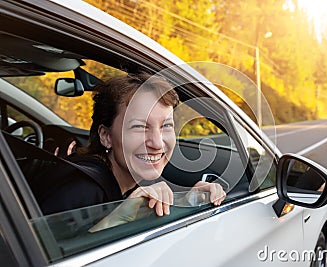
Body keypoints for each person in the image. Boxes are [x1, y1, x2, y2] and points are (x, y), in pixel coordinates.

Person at [39, 72, 226, 217]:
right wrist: (117, 220)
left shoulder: (121, 180)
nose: (157, 143)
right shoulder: (81, 191)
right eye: (139, 127)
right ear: (106, 136)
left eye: (166, 125)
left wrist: (186, 201)